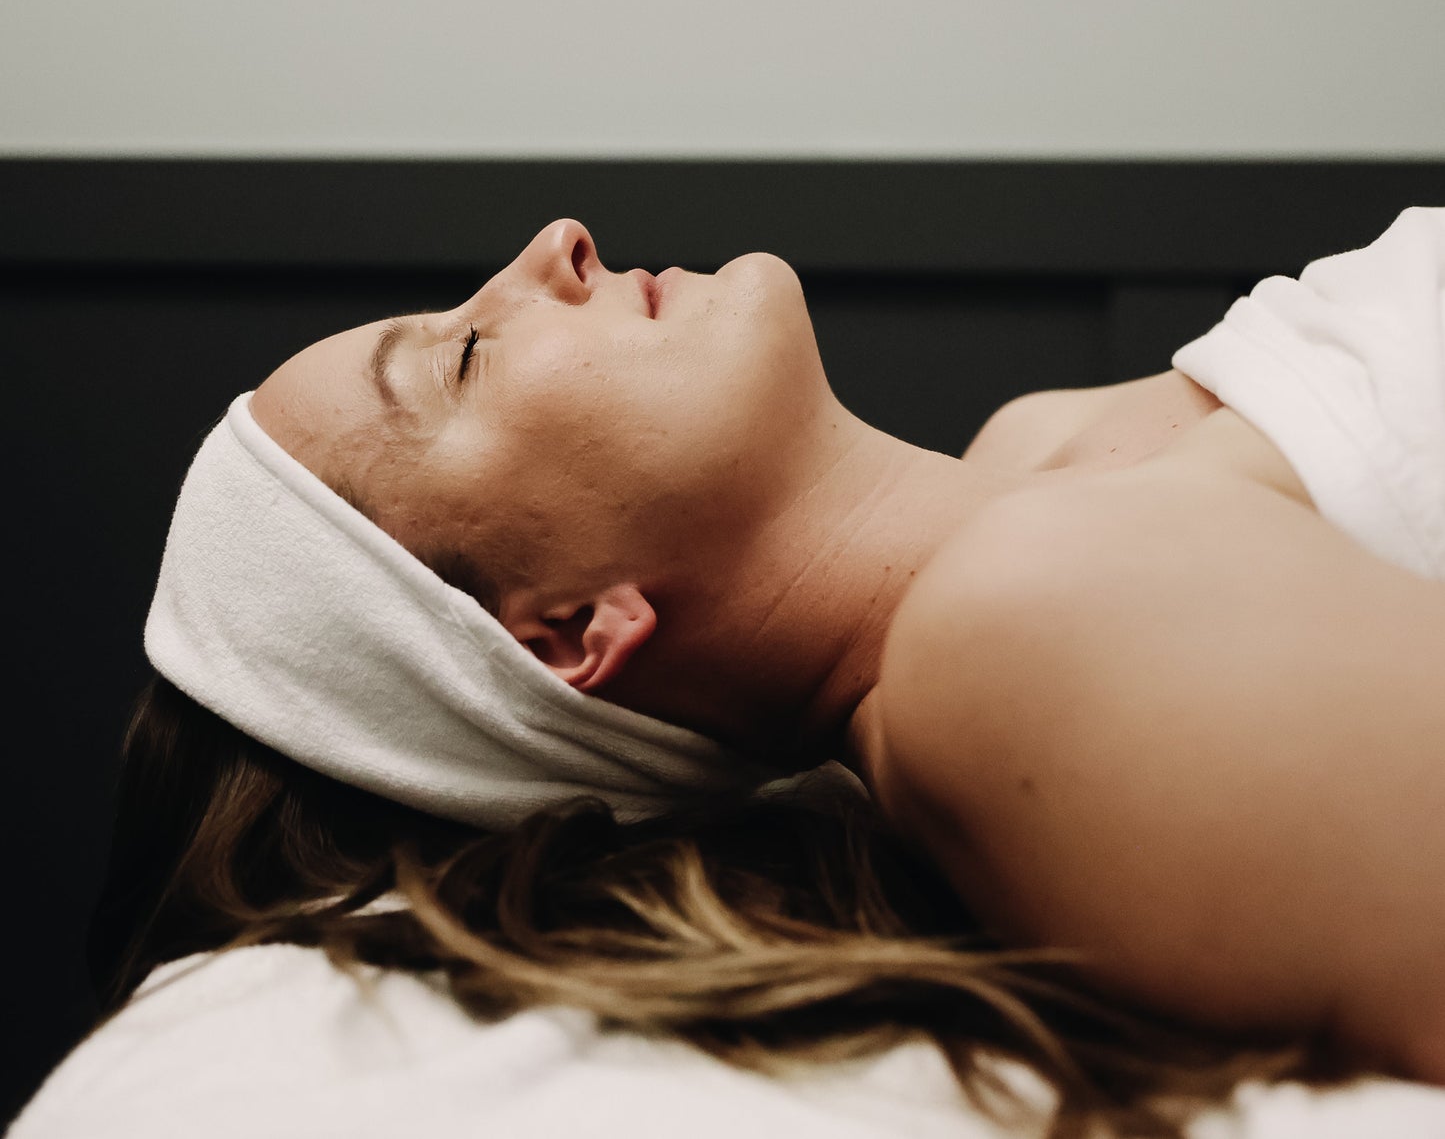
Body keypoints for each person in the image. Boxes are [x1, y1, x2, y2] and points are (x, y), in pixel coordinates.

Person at [15, 210, 1445, 1139]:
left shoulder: (1033, 452)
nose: (554, 246)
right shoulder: (1014, 646)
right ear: (569, 630)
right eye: (462, 360)